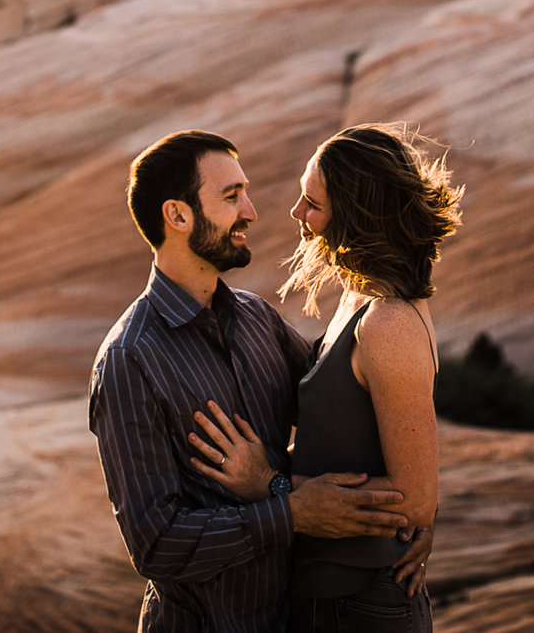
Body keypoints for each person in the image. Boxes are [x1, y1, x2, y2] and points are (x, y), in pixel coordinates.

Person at [91, 129, 418, 633]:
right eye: (231, 196)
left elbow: (337, 415)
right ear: (177, 216)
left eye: (245, 192)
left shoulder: (256, 318)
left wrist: (415, 512)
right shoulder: (130, 359)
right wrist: (290, 512)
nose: (252, 211)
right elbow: (156, 543)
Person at [188, 125, 460, 633]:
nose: (297, 215)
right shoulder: (359, 302)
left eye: (312, 203)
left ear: (357, 216)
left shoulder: (388, 323)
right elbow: (354, 447)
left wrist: (269, 484)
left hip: (360, 605)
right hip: (331, 596)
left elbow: (414, 496)